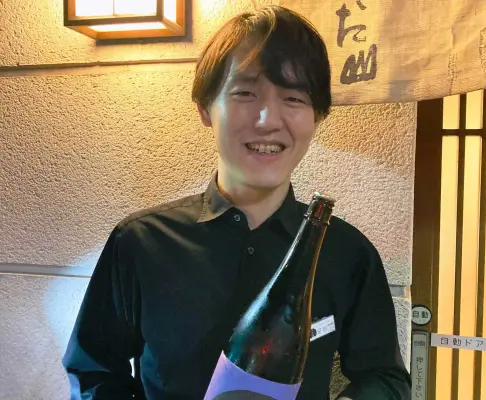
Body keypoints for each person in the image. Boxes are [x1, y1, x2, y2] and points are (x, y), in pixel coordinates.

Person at [63, 5, 411, 400]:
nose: (268, 120)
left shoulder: (346, 252)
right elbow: (93, 372)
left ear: (316, 116)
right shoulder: (140, 243)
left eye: (294, 98)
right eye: (245, 93)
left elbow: (386, 378)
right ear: (205, 108)